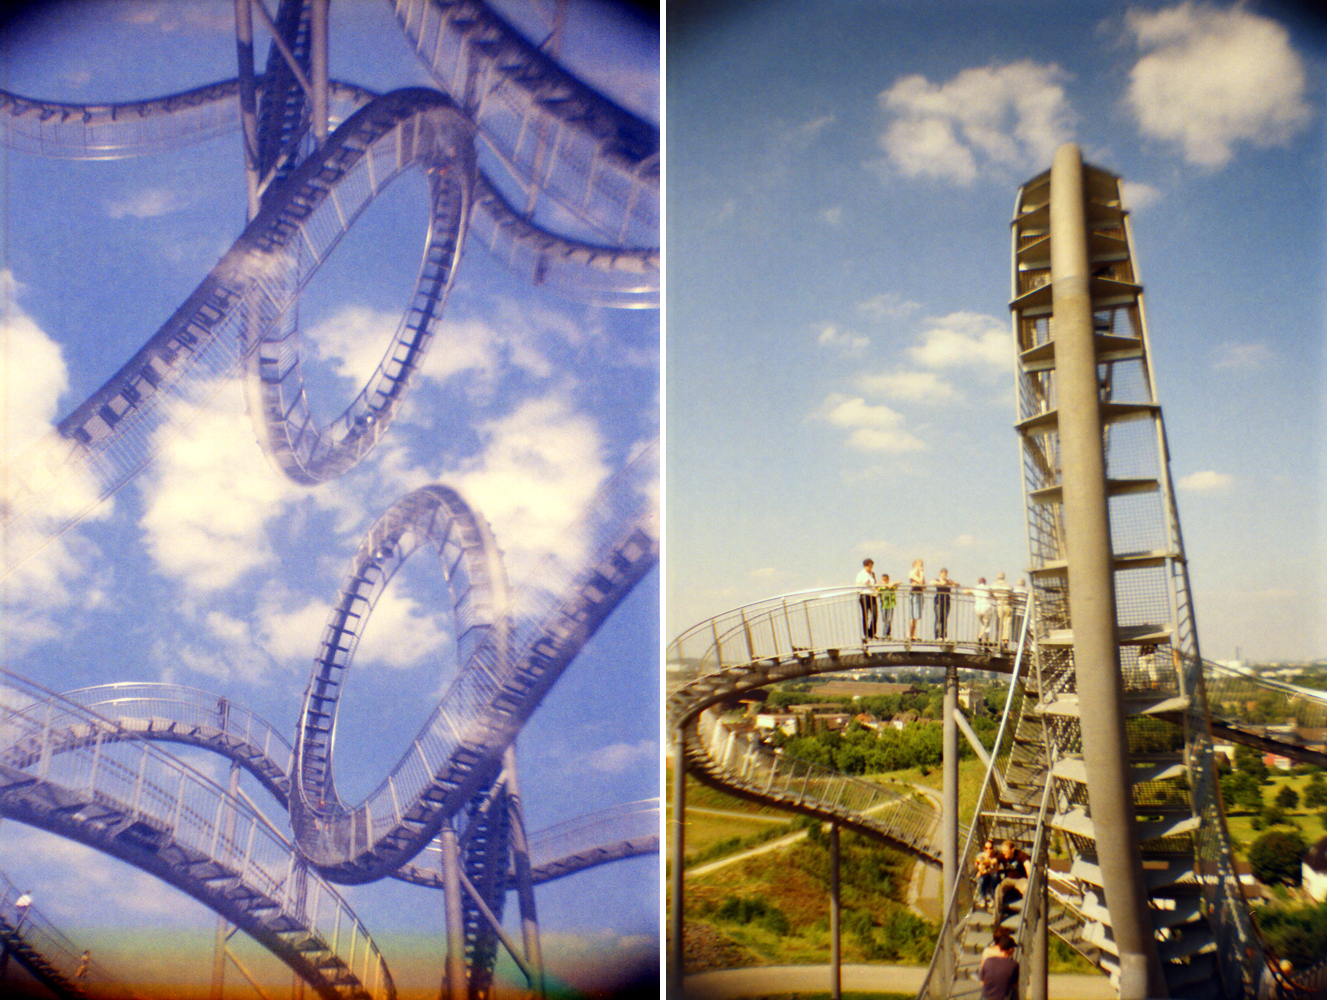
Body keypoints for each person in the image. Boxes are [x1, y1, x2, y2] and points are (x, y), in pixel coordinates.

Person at [993, 840, 1031, 919]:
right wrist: (984, 863)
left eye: (1006, 851)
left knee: (1026, 890)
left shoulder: (1020, 855)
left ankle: (1026, 916)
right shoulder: (1002, 855)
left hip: (1021, 879)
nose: (1004, 853)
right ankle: (997, 918)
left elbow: (1027, 865)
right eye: (1003, 851)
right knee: (998, 890)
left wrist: (1029, 882)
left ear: (1012, 850)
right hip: (1008, 879)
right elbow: (992, 861)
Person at [979, 929, 1019, 1000]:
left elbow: (982, 980)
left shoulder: (988, 958)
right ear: (1010, 950)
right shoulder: (1013, 965)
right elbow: (1013, 984)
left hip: (985, 996)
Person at [974, 839, 1001, 909]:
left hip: (994, 875)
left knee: (994, 876)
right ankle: (982, 897)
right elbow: (979, 866)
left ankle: (993, 896)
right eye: (986, 848)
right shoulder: (980, 856)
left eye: (990, 848)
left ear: (993, 848)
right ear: (984, 849)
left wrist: (985, 871)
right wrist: (981, 870)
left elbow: (996, 870)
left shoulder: (996, 856)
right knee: (981, 878)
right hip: (985, 876)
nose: (989, 850)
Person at [856, 558, 878, 641]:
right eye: (870, 566)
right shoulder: (861, 574)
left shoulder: (872, 574)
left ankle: (872, 632)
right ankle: (866, 634)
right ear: (866, 566)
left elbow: (874, 584)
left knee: (875, 614)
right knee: (866, 616)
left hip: (872, 595)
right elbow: (859, 583)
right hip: (864, 595)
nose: (871, 568)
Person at [933, 568, 957, 641]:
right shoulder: (937, 581)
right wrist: (941, 583)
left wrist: (951, 583)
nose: (944, 575)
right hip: (939, 602)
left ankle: (944, 636)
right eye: (943, 574)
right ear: (940, 574)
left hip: (946, 602)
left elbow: (957, 585)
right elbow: (932, 583)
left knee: (944, 620)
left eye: (945, 574)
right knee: (939, 619)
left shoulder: (948, 581)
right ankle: (938, 636)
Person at [993, 572, 1013, 648]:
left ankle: (998, 641)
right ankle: (1005, 641)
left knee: (999, 624)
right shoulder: (1008, 586)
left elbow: (991, 593)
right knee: (1007, 624)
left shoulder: (994, 585)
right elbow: (1011, 595)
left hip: (999, 605)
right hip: (1007, 605)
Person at [908, 559, 925, 642]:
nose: (922, 567)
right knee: (913, 615)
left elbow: (924, 586)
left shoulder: (920, 575)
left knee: (916, 616)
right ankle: (910, 634)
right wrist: (921, 574)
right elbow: (920, 581)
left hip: (919, 594)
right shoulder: (912, 573)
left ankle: (912, 634)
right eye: (920, 565)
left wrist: (920, 581)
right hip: (914, 595)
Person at [973, 577, 994, 644]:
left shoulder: (976, 588)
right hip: (986, 607)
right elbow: (992, 595)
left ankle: (984, 638)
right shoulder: (987, 588)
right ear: (985, 583)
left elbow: (966, 591)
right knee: (986, 624)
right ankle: (981, 637)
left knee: (984, 624)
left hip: (978, 609)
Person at [876, 573, 897, 639]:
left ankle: (886, 634)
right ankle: (886, 634)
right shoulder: (881, 587)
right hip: (883, 606)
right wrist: (878, 585)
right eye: (883, 580)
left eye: (885, 580)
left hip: (890, 605)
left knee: (889, 619)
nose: (884, 582)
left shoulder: (890, 587)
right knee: (885, 620)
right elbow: (876, 593)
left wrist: (891, 584)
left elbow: (898, 583)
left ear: (888, 580)